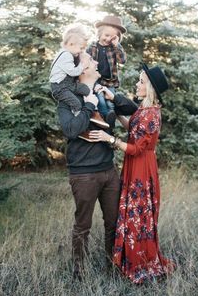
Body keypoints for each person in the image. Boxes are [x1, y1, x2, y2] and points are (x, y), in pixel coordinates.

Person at [88, 63, 176, 284]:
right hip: (134, 166)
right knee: (133, 214)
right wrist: (117, 112)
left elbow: (138, 148)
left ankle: (141, 262)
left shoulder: (153, 114)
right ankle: (130, 258)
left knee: (139, 217)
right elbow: (134, 130)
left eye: (141, 81)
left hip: (142, 169)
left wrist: (109, 139)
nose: (137, 84)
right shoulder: (143, 110)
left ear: (151, 89)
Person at [57, 52, 138, 281]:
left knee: (113, 222)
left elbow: (131, 109)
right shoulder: (67, 98)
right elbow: (71, 130)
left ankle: (111, 265)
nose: (96, 62)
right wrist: (88, 105)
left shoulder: (102, 91)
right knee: (83, 225)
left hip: (109, 171)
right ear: (81, 70)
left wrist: (113, 96)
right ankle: (79, 273)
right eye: (91, 61)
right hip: (84, 173)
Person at [49, 24, 108, 128]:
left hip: (68, 84)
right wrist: (82, 66)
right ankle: (79, 120)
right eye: (81, 48)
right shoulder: (65, 55)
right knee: (76, 103)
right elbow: (73, 72)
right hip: (60, 88)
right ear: (71, 44)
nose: (82, 51)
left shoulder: (67, 54)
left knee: (85, 89)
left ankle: (94, 112)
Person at [87, 15, 127, 127]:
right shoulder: (92, 47)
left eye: (112, 37)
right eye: (106, 35)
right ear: (100, 33)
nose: (108, 39)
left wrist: (117, 45)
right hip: (97, 81)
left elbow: (122, 60)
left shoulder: (114, 48)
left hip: (110, 82)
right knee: (101, 101)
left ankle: (110, 122)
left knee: (110, 103)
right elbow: (85, 61)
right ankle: (104, 121)